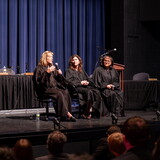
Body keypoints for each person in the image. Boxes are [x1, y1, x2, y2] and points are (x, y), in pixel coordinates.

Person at [33, 51, 76, 122]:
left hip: (53, 88)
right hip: (44, 90)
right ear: (45, 58)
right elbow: (39, 82)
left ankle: (65, 114)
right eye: (49, 57)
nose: (51, 58)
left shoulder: (52, 68)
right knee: (58, 93)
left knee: (65, 92)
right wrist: (47, 72)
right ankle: (66, 114)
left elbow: (60, 81)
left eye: (52, 57)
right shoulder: (39, 68)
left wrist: (60, 74)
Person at [65, 54, 103, 119]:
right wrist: (80, 82)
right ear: (71, 62)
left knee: (96, 91)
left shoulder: (81, 70)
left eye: (76, 59)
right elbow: (68, 82)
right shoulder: (69, 71)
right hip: (75, 88)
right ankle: (87, 112)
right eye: (73, 60)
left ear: (79, 61)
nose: (74, 61)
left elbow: (87, 78)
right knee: (89, 92)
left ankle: (94, 111)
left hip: (84, 87)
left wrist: (88, 82)